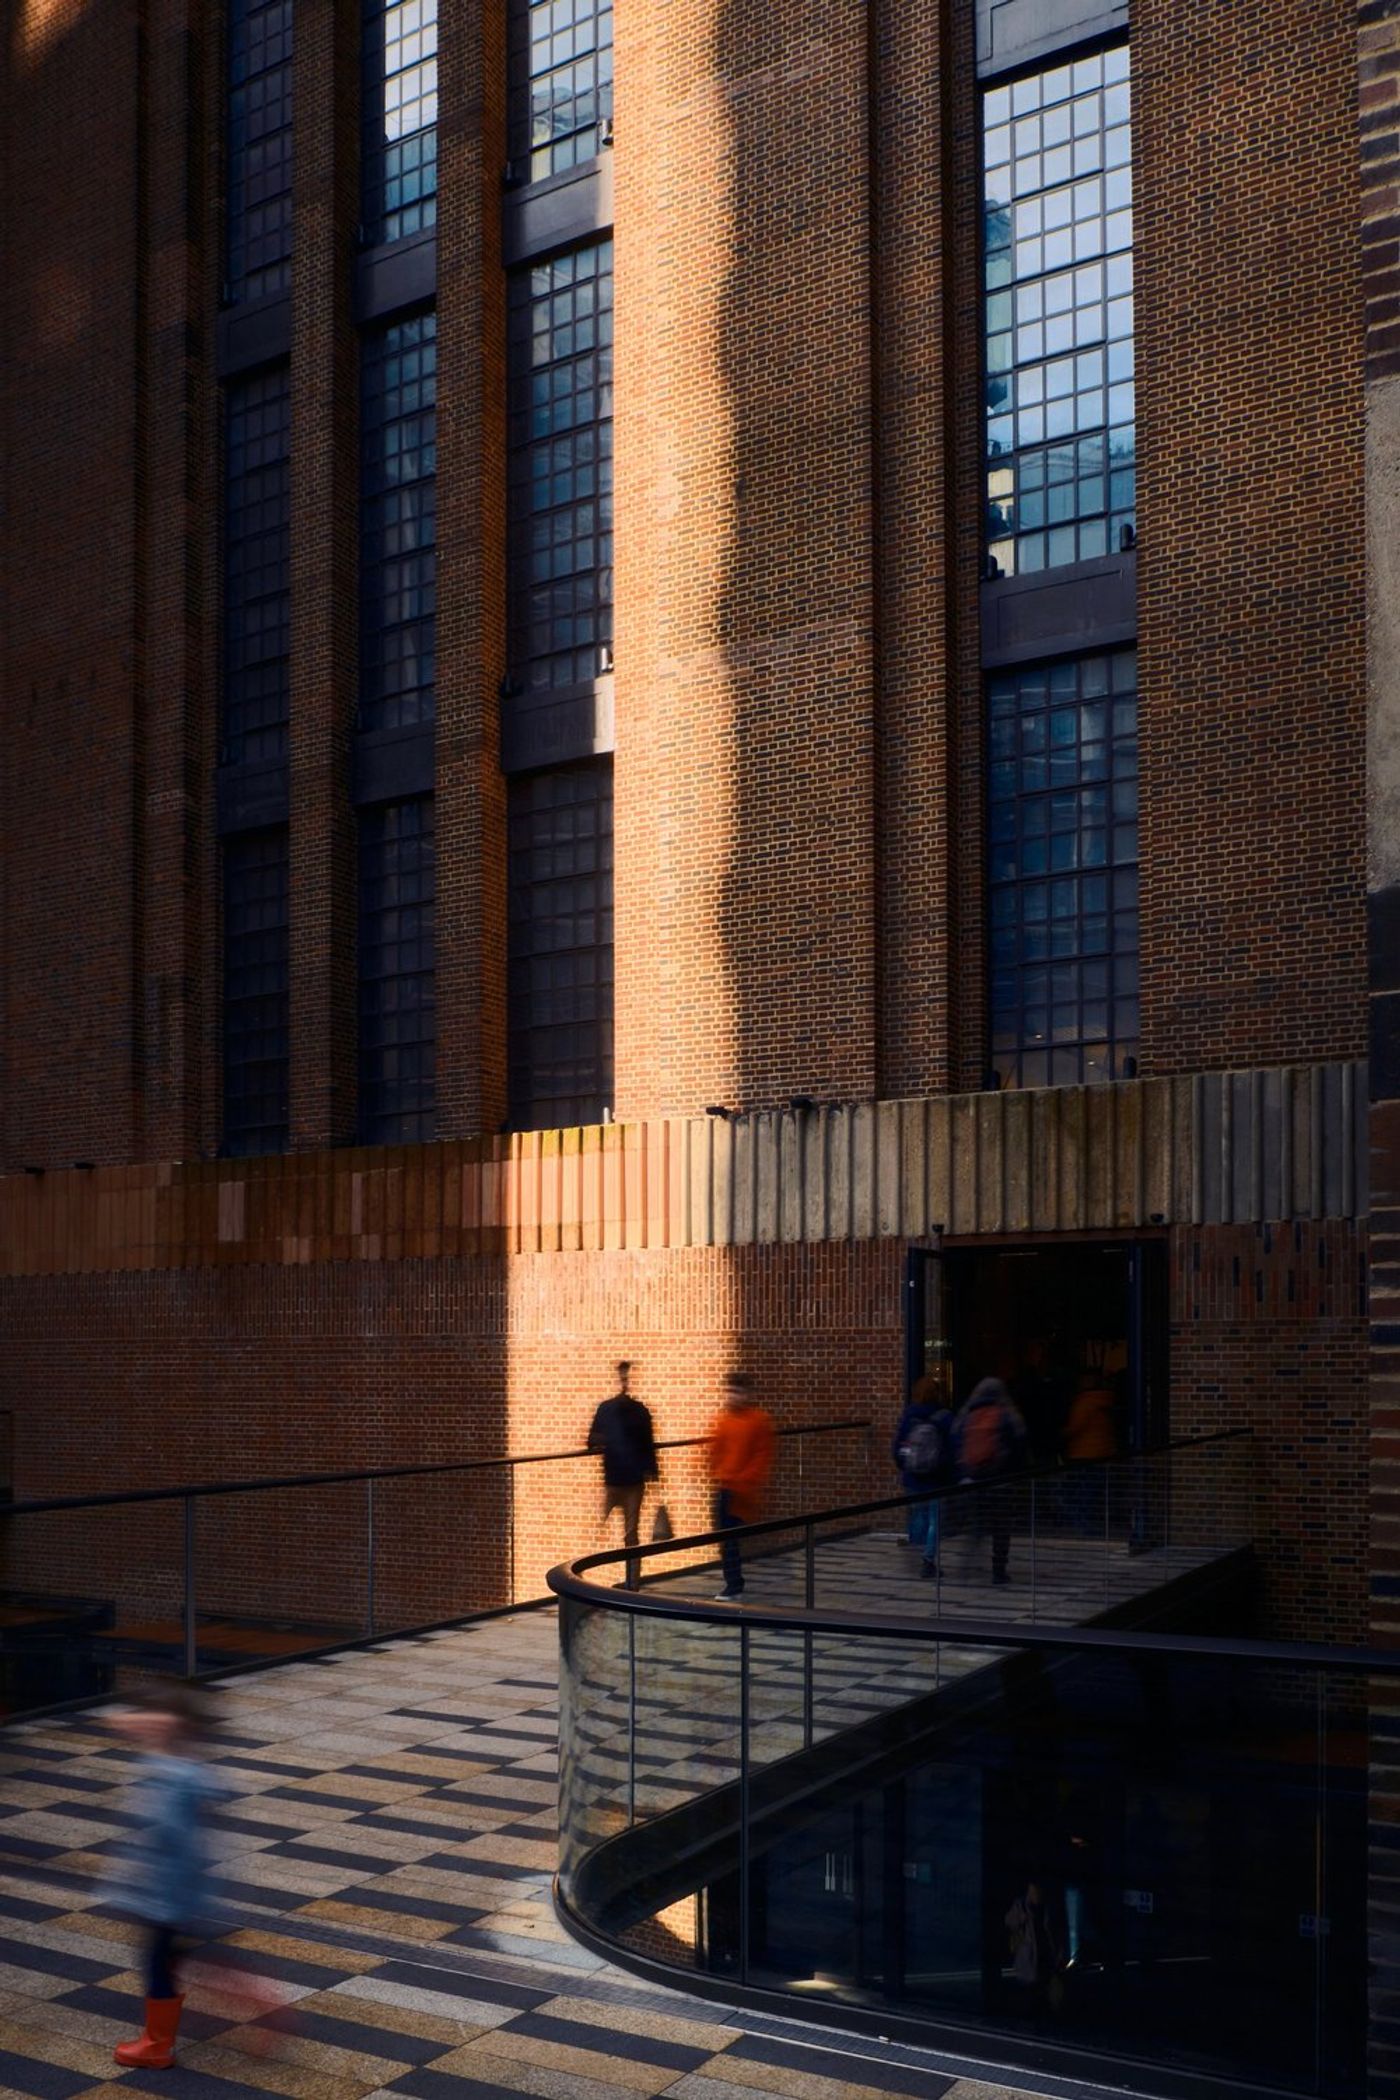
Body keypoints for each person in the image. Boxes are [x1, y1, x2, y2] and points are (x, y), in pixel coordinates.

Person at [104, 1682, 224, 2069]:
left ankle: (157, 2045)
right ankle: (160, 2034)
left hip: (165, 1891)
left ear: (175, 1726)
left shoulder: (172, 1776)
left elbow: (168, 1834)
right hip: (174, 1888)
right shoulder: (185, 1768)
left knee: (156, 1960)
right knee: (166, 1954)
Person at [587, 1361, 659, 1580]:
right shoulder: (634, 1411)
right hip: (624, 1479)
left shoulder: (614, 1410)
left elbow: (591, 1440)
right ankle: (630, 1581)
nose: (624, 1383)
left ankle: (628, 1581)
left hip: (624, 1480)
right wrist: (652, 1471)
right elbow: (648, 1445)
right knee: (627, 1534)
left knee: (621, 1532)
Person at [708, 1371, 776, 1598]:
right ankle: (733, 1582)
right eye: (730, 1391)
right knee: (725, 1539)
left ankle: (734, 1584)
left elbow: (761, 1456)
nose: (732, 1396)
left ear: (747, 1393)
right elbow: (714, 1450)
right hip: (725, 1487)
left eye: (737, 1391)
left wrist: (743, 1479)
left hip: (741, 1490)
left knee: (730, 1539)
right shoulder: (724, 1420)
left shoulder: (758, 1421)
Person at [953, 1376, 1027, 1585]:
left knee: (976, 1524)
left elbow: (956, 1445)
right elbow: (1018, 1446)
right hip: (1000, 1481)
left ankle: (965, 1565)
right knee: (1001, 1528)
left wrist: (963, 1473)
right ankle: (999, 1570)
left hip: (973, 1480)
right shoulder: (1005, 1415)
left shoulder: (967, 1415)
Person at [891, 1373, 954, 1576]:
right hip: (935, 1478)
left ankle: (915, 1555)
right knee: (934, 1520)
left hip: (913, 1478)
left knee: (918, 1515)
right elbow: (952, 1448)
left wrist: (906, 1466)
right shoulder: (944, 1417)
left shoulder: (909, 1416)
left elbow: (897, 1447)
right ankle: (927, 1560)